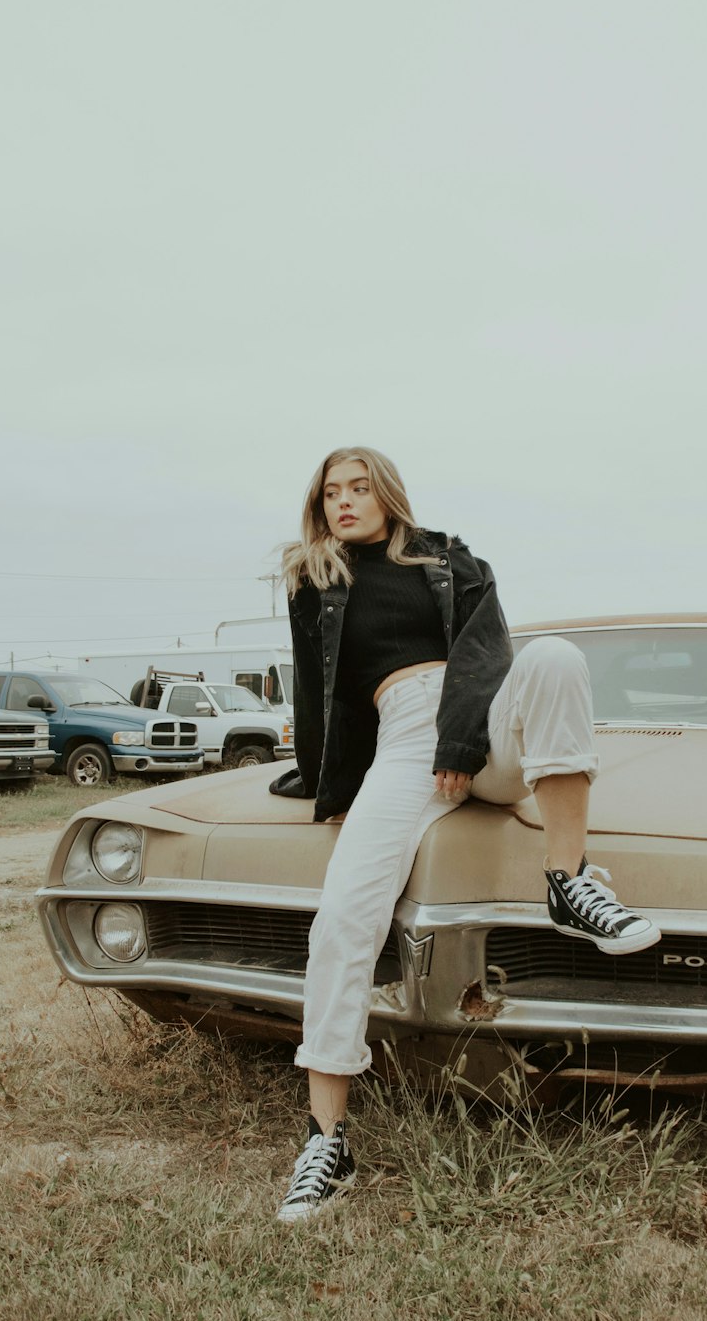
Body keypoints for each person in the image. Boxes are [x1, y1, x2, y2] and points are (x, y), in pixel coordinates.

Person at [270, 446, 660, 1223]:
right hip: (405, 738)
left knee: (554, 658)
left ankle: (568, 881)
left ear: (387, 493)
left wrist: (461, 738)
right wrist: (324, 781)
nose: (344, 502)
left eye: (359, 488)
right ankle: (327, 1140)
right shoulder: (317, 580)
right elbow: (320, 692)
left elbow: (488, 650)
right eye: (331, 493)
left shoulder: (447, 557)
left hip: (483, 717)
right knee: (342, 920)